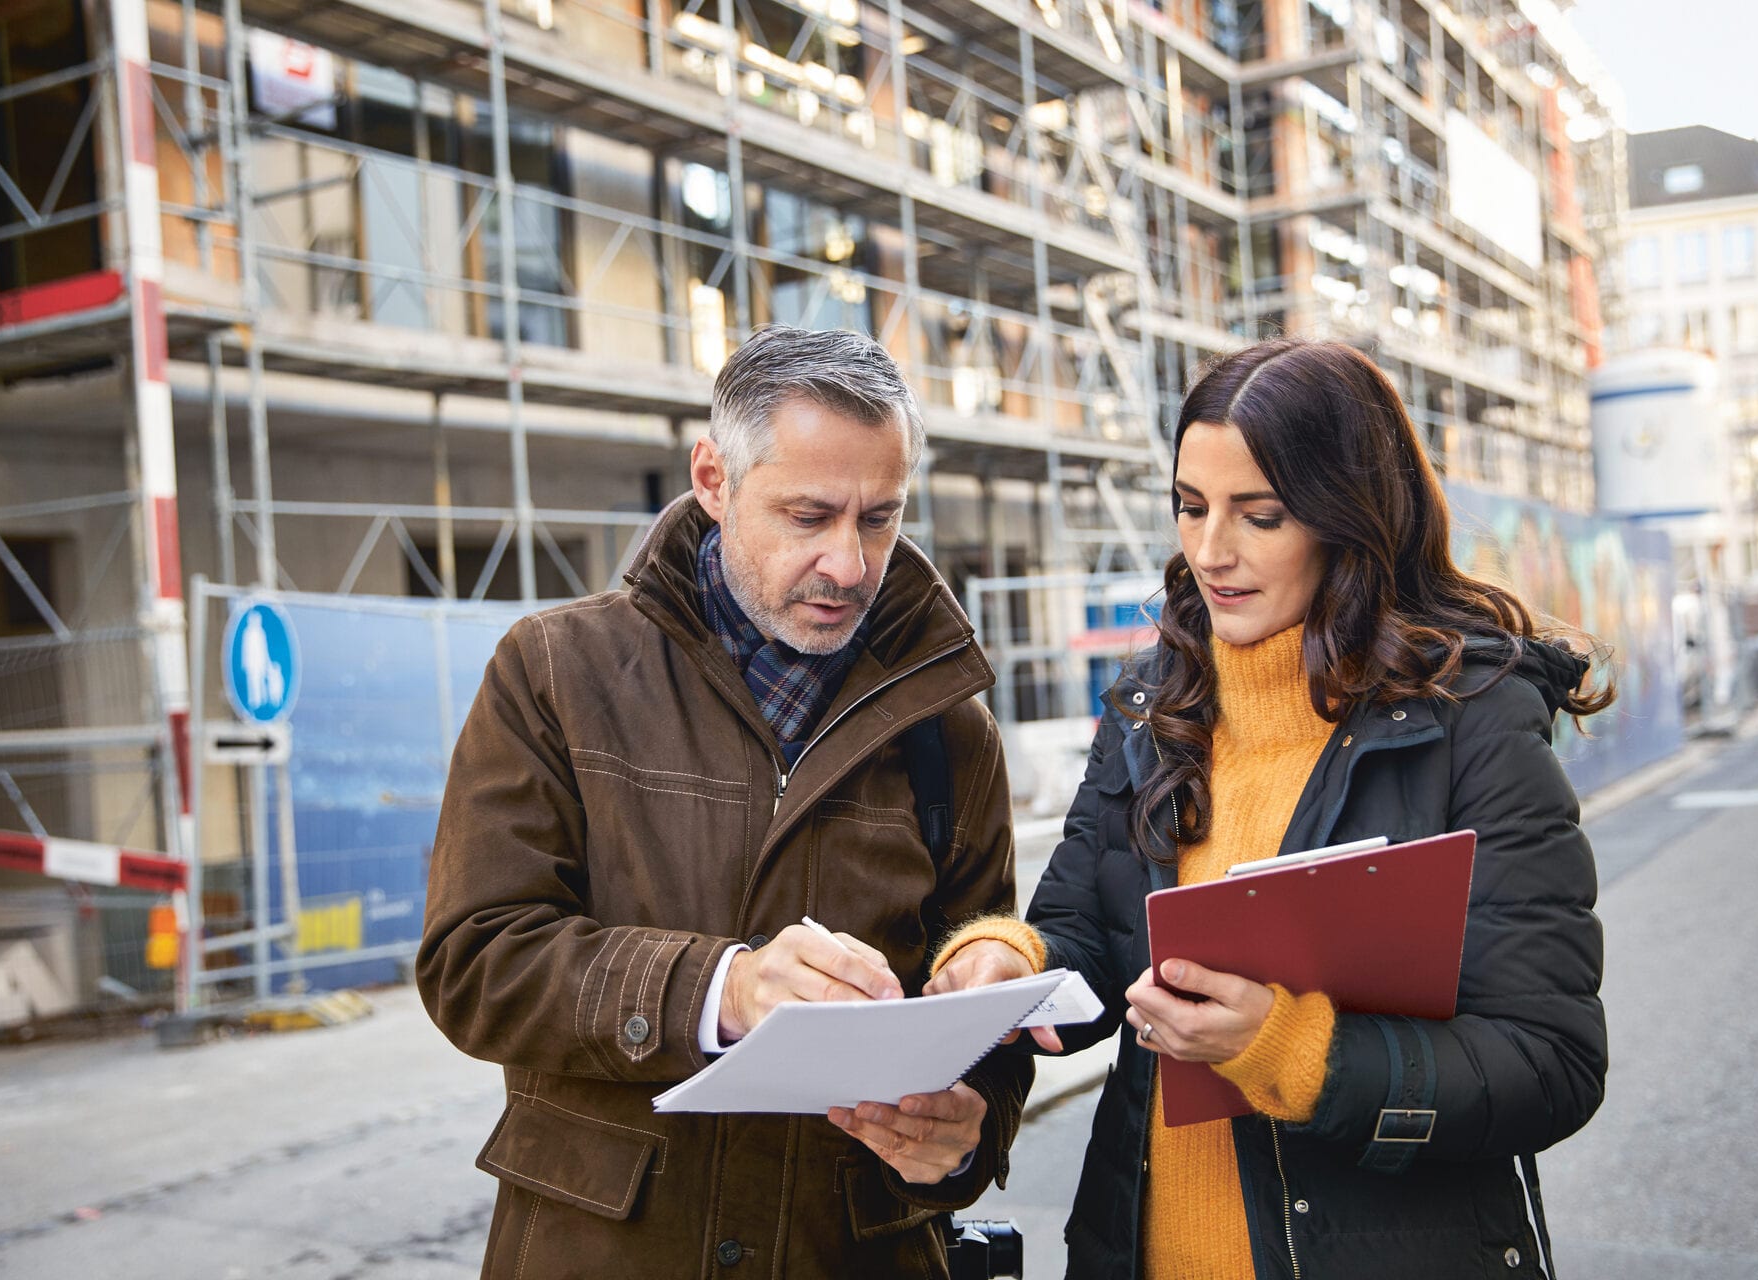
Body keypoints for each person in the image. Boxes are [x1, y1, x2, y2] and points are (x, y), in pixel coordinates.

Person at [929, 339, 1612, 1279]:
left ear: (1349, 517)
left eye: (1261, 516)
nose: (1212, 551)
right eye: (1190, 505)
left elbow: (1549, 1062)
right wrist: (1010, 962)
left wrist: (1288, 1050)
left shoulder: (1472, 719)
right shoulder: (1149, 707)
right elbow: (1084, 940)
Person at [419, 326, 1031, 1278]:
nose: (849, 564)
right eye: (808, 515)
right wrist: (722, 990)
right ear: (714, 478)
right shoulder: (554, 673)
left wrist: (963, 1140)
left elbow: (984, 1021)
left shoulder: (952, 734)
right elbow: (474, 961)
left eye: (879, 519)